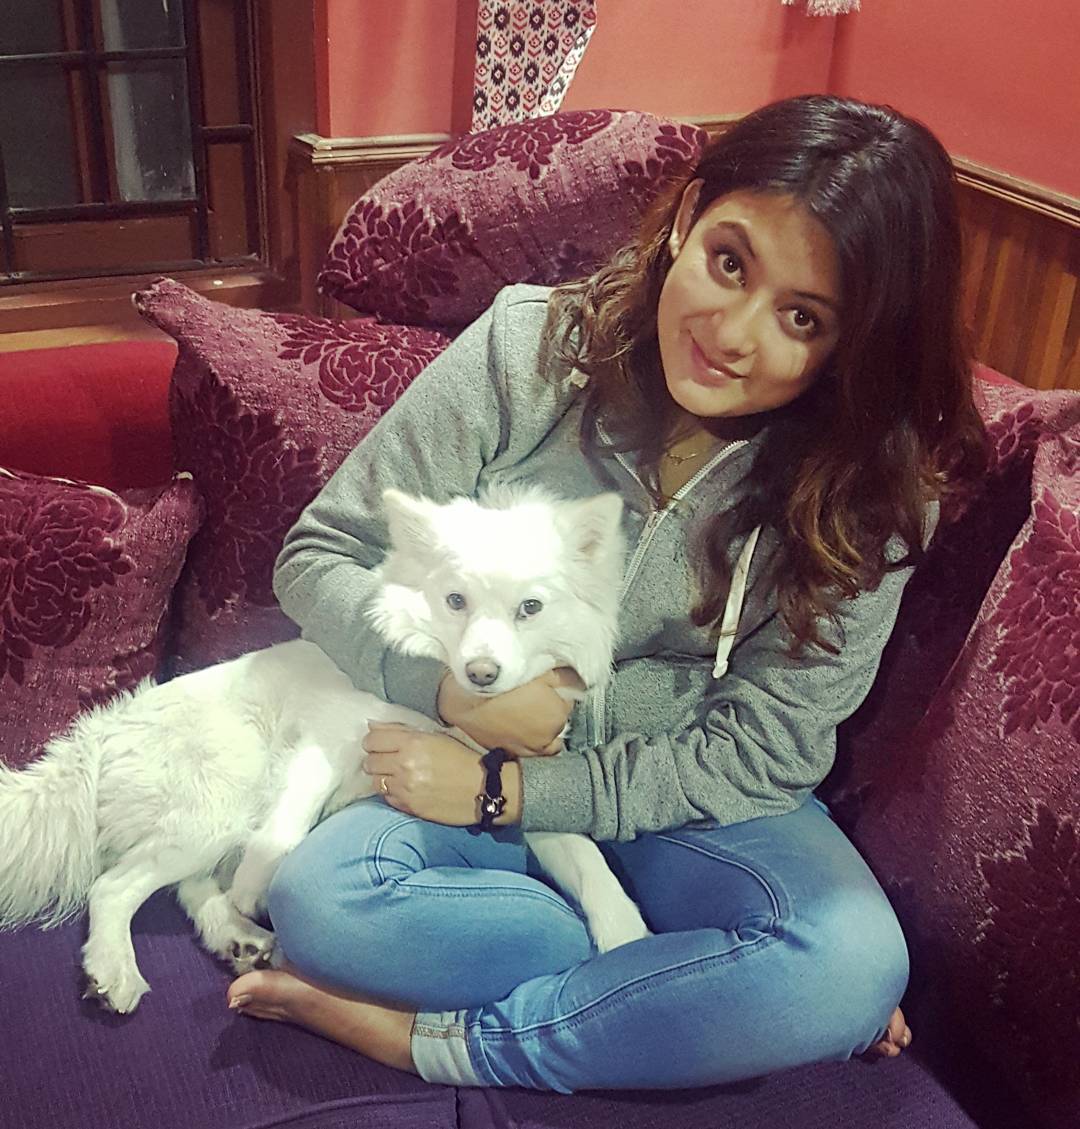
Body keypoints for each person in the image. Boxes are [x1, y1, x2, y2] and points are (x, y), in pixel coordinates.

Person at [226, 94, 986, 1092]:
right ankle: (674, 991)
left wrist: (515, 791)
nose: (733, 333)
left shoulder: (873, 491)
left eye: (802, 317)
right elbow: (322, 551)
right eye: (729, 262)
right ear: (687, 217)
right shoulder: (529, 351)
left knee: (849, 961)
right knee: (326, 904)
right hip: (466, 757)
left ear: (857, 345)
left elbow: (770, 747)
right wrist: (447, 692)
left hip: (691, 799)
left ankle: (433, 1040)